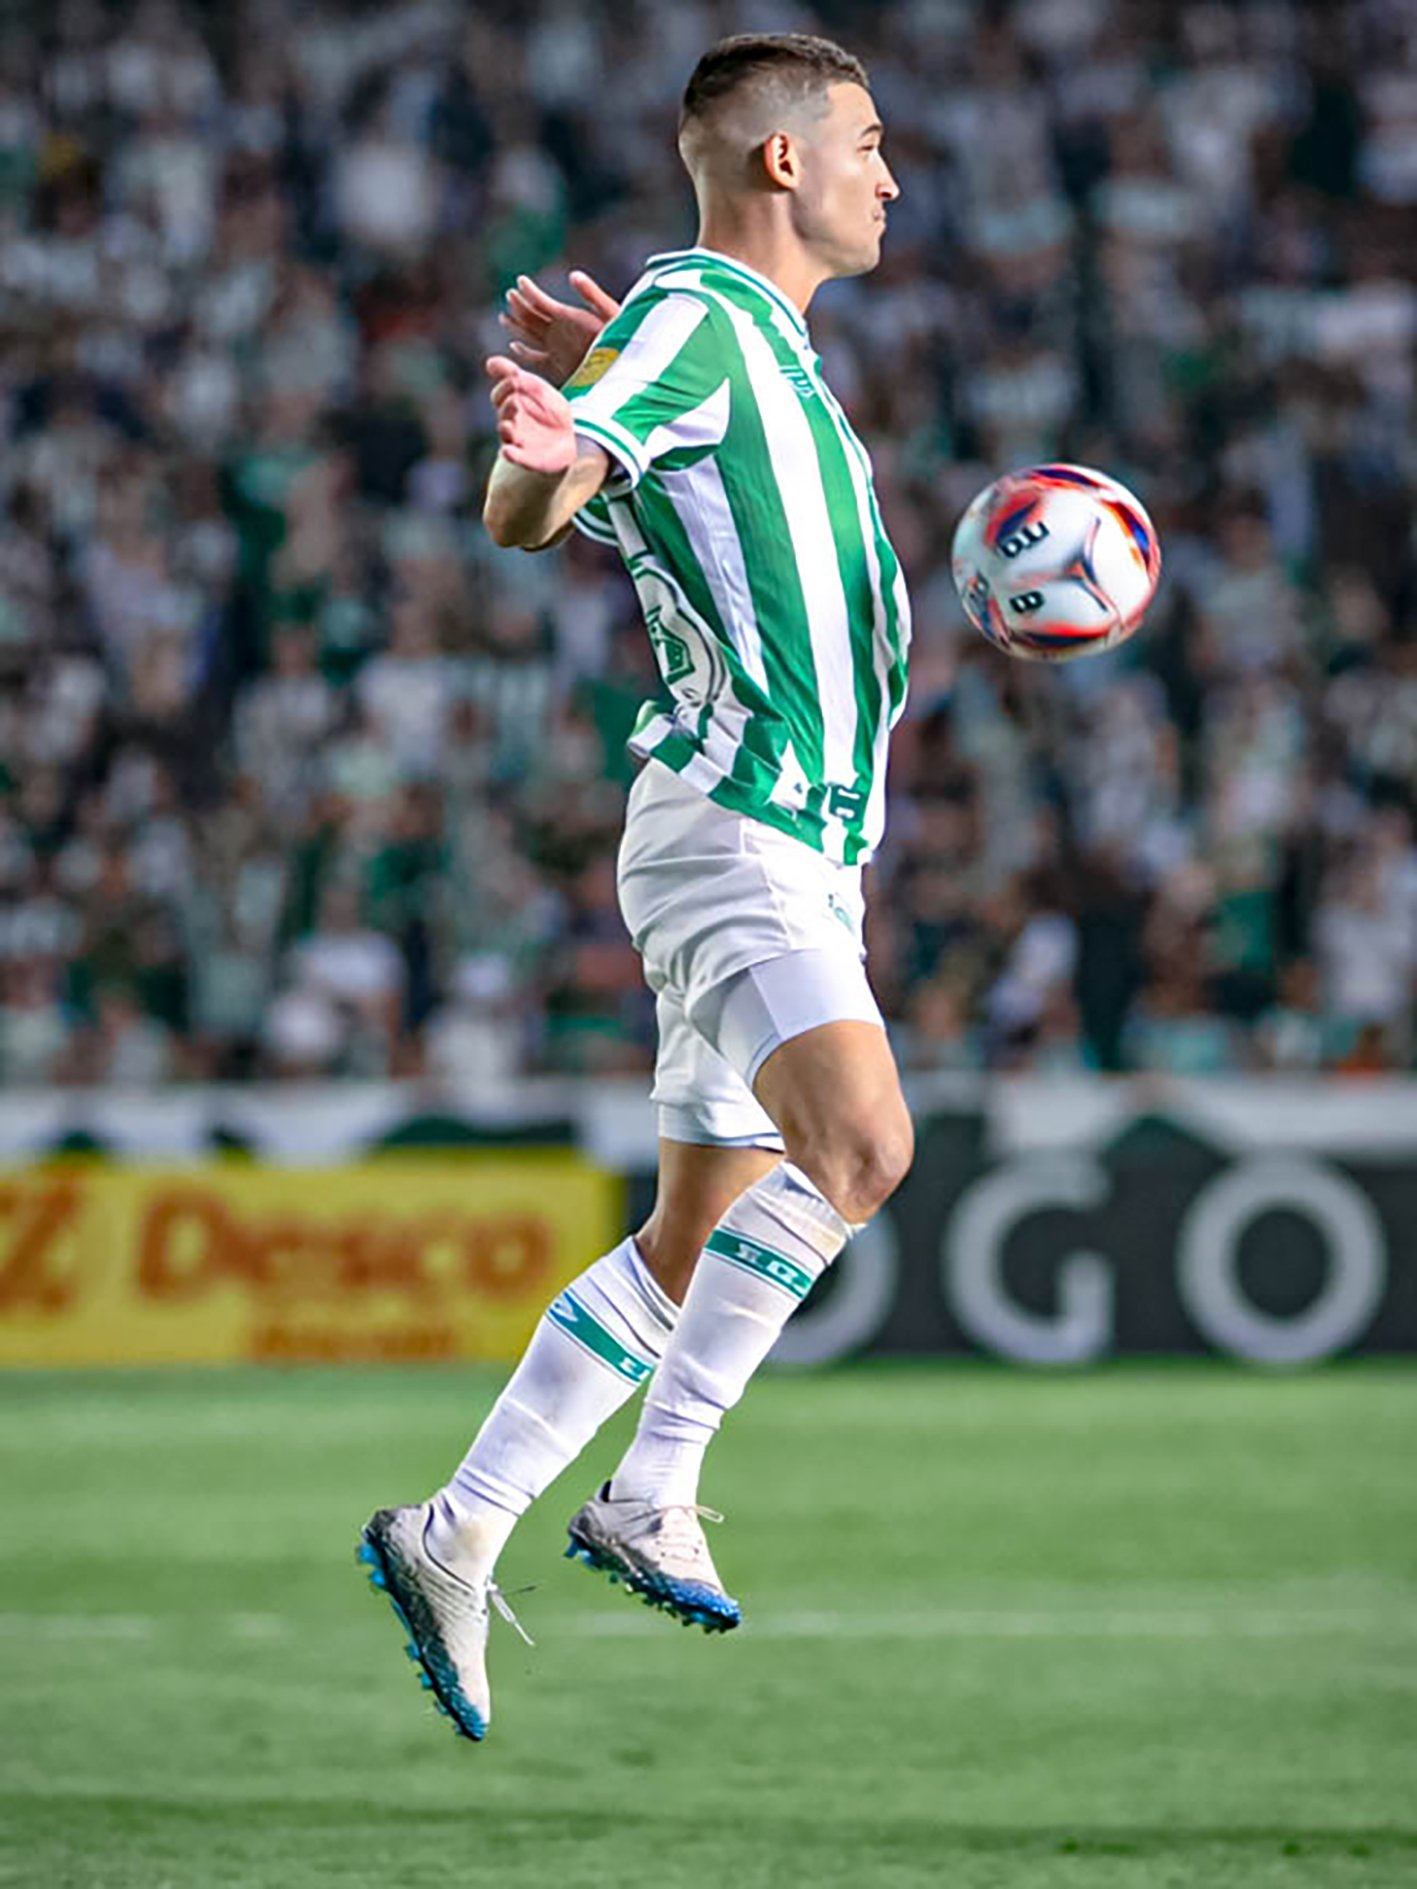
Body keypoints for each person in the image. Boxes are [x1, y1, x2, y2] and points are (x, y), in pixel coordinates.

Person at [359, 31, 914, 1743]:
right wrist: (545, 441)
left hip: (780, 842)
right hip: (743, 826)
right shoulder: (701, 315)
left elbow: (637, 483)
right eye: (867, 143)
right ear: (781, 161)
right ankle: (649, 1487)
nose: (889, 177)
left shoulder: (740, 350)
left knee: (687, 1245)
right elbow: (531, 509)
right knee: (860, 1150)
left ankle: (456, 1528)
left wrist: (586, 398)